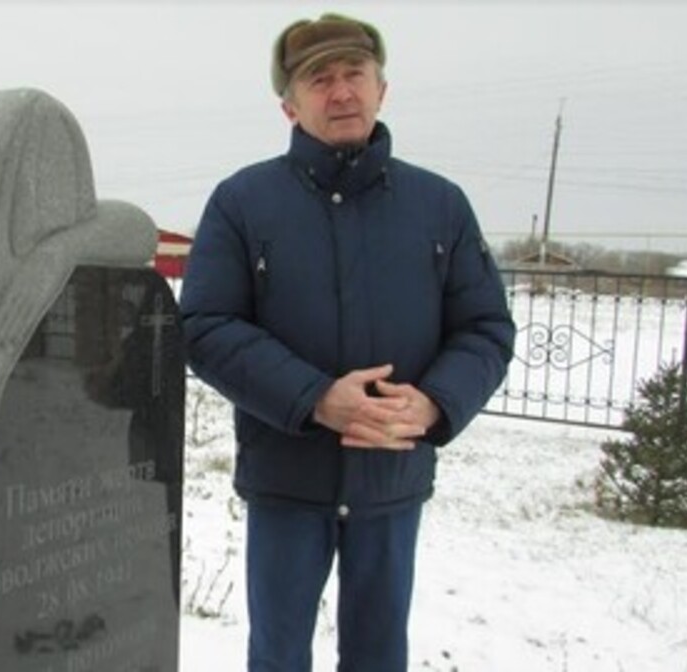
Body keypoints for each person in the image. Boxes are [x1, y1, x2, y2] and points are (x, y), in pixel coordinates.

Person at [179, 13, 515, 672]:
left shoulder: (439, 205)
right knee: (278, 655)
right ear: (289, 104)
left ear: (381, 89)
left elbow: (486, 328)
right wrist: (316, 398)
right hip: (286, 476)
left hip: (391, 477)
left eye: (354, 74)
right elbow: (206, 325)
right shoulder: (242, 202)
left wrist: (436, 405)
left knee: (379, 655)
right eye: (319, 79)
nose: (341, 93)